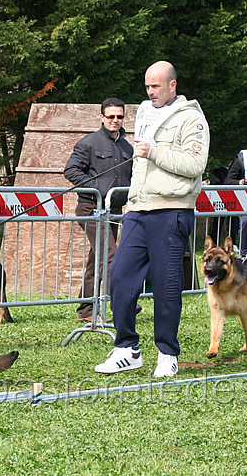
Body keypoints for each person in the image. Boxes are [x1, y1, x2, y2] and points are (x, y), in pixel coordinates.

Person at [95, 61, 209, 378]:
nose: (150, 91)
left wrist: (155, 152)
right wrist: (132, 200)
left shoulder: (192, 119)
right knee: (119, 276)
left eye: (155, 86)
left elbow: (195, 163)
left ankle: (167, 352)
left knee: (166, 286)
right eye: (147, 86)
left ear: (172, 85)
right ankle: (127, 348)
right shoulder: (145, 112)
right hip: (138, 209)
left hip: (171, 210)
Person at [63, 97, 134, 322]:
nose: (115, 120)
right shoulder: (88, 143)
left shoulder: (127, 147)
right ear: (101, 117)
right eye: (110, 116)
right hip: (91, 208)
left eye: (119, 116)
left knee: (98, 259)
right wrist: (97, 189)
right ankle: (121, 304)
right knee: (112, 255)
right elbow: (71, 170)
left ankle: (86, 311)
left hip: (114, 210)